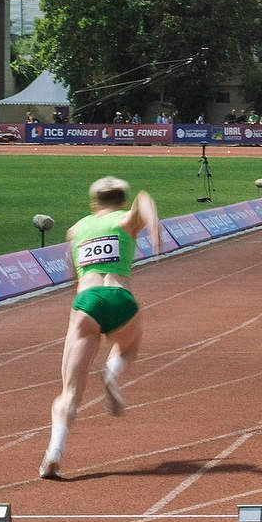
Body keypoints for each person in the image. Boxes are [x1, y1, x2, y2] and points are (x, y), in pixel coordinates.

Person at [40, 177, 162, 478]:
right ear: (122, 200)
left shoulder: (76, 229)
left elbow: (71, 271)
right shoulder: (124, 220)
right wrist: (153, 229)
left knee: (69, 392)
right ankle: (112, 371)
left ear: (94, 203)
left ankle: (55, 451)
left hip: (86, 302)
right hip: (120, 296)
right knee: (129, 346)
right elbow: (145, 200)